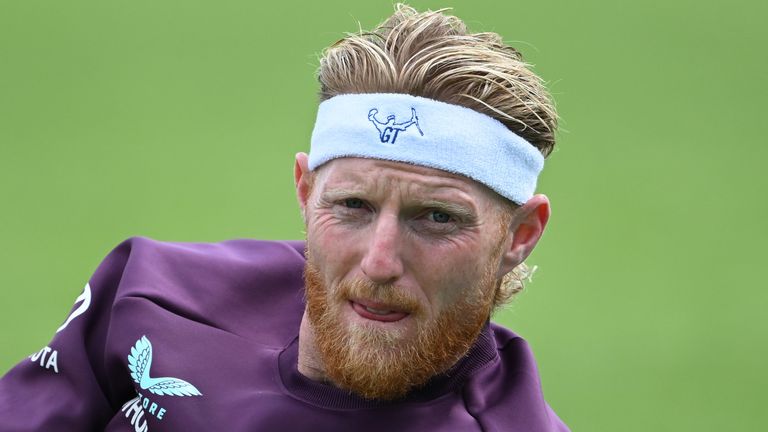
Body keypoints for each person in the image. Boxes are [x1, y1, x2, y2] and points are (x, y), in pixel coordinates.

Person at [0, 4, 568, 431]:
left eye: (438, 218)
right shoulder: (153, 295)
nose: (380, 261)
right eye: (352, 206)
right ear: (305, 190)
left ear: (520, 235)